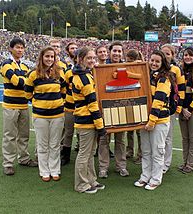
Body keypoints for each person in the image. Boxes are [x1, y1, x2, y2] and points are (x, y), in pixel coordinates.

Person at [134, 50, 175, 190]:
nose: (154, 63)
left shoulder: (164, 79)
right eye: (152, 60)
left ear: (163, 63)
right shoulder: (147, 75)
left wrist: (151, 121)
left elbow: (159, 100)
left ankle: (156, 178)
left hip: (159, 121)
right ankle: (145, 176)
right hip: (144, 119)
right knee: (145, 151)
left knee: (157, 151)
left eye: (157, 61)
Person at [25, 46, 65, 182]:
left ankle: (55, 169)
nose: (49, 59)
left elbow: (64, 90)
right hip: (40, 116)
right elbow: (28, 94)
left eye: (52, 57)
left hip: (58, 115)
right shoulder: (33, 74)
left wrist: (57, 102)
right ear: (41, 57)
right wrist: (40, 104)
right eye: (47, 56)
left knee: (55, 144)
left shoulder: (59, 73)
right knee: (42, 145)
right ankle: (44, 171)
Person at [0, 38, 37, 176]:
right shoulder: (6, 64)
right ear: (10, 49)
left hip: (23, 105)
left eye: (22, 47)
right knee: (9, 135)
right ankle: (8, 163)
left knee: (24, 134)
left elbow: (28, 82)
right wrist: (26, 81)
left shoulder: (25, 66)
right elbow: (17, 82)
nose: (20, 50)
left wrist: (26, 81)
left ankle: (24, 158)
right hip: (10, 105)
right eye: (17, 47)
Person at [72, 47, 106, 194]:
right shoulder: (84, 77)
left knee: (90, 152)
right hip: (86, 120)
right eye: (89, 58)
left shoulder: (85, 74)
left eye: (93, 58)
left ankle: (91, 180)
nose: (92, 60)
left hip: (87, 119)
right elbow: (92, 104)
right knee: (84, 154)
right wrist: (100, 125)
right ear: (81, 59)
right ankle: (81, 184)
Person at [98, 41, 129, 178]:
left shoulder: (126, 68)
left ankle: (121, 166)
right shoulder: (101, 67)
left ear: (122, 53)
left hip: (121, 108)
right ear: (109, 52)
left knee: (120, 140)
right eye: (114, 51)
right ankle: (103, 167)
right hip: (105, 108)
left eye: (119, 51)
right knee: (104, 139)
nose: (116, 53)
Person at [160, 44, 186, 173]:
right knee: (157, 137)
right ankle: (157, 160)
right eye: (163, 53)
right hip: (156, 107)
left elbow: (181, 90)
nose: (165, 56)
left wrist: (178, 107)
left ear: (173, 55)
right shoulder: (156, 66)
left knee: (168, 137)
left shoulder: (176, 69)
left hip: (170, 107)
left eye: (168, 53)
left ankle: (166, 163)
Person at [125, 49, 143, 164]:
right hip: (128, 101)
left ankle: (141, 154)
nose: (128, 62)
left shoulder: (141, 67)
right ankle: (129, 151)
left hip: (139, 101)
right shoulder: (125, 67)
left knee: (139, 132)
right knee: (129, 130)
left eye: (130, 60)